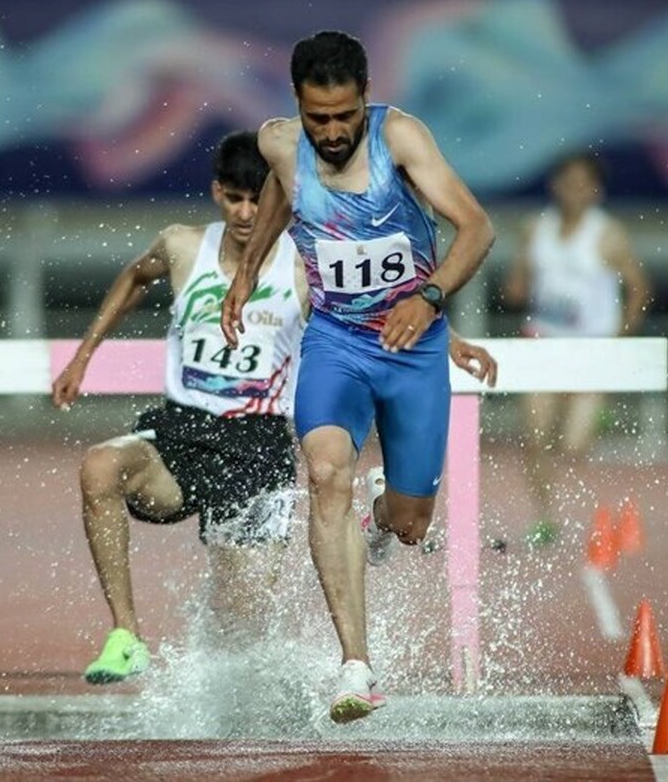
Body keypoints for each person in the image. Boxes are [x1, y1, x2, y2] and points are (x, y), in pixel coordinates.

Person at [53, 130, 499, 686]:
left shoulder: (302, 267)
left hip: (257, 448)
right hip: (181, 432)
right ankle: (125, 635)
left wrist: (449, 339)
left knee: (242, 625)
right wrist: (83, 355)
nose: (245, 213)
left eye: (255, 201)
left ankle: (245, 708)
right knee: (99, 465)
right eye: (234, 199)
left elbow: (367, 313)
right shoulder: (181, 245)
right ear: (218, 193)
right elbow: (134, 277)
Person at [220, 31, 496, 723]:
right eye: (320, 119)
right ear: (298, 107)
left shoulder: (400, 139)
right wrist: (248, 273)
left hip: (414, 347)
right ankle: (357, 665)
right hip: (337, 341)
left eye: (346, 116)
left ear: (366, 100)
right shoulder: (279, 144)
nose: (334, 132)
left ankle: (381, 511)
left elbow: (476, 228)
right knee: (322, 471)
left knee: (409, 524)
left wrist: (428, 298)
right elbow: (283, 196)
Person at [501, 152, 652, 547]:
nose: (574, 190)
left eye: (583, 183)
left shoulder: (608, 234)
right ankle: (546, 516)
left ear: (596, 191)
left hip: (592, 347)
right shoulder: (536, 229)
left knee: (572, 445)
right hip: (543, 341)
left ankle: (597, 412)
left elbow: (638, 287)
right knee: (535, 438)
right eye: (567, 181)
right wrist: (517, 286)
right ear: (555, 186)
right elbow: (516, 286)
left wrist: (621, 340)